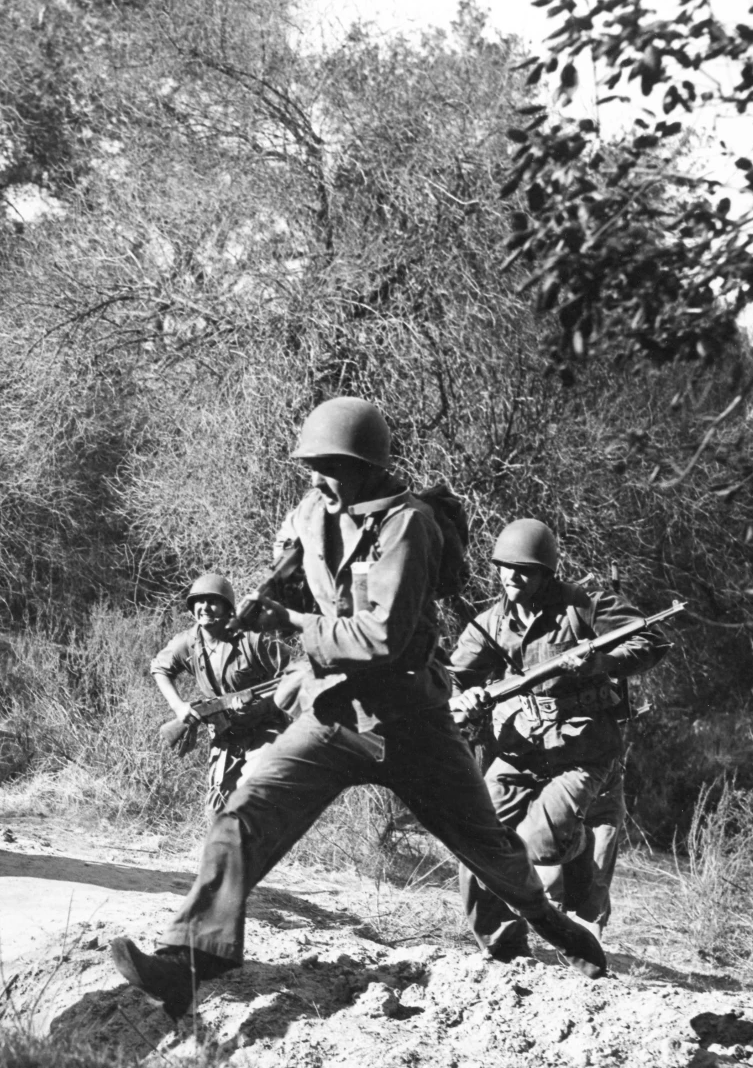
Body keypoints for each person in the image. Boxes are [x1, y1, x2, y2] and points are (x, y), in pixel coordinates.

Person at [109, 397, 610, 1018]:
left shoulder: (410, 526)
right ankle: (190, 961)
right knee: (244, 815)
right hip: (331, 715)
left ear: (368, 467)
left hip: (409, 723)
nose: (319, 480)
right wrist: (282, 575)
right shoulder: (314, 509)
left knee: (491, 851)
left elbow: (382, 638)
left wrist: (292, 621)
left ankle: (553, 924)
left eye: (332, 467)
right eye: (312, 467)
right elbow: (299, 576)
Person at [447, 521, 672, 950]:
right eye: (504, 568)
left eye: (523, 570)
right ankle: (502, 948)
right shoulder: (490, 624)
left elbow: (650, 641)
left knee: (540, 847)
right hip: (518, 750)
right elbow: (455, 679)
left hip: (583, 752)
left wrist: (597, 661)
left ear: (546, 573)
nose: (511, 578)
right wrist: (467, 698)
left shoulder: (584, 606)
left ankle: (577, 846)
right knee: (475, 841)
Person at [149, 572, 292, 812]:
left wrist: (259, 704)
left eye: (212, 601)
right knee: (217, 809)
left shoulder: (253, 638)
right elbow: (159, 668)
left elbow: (293, 677)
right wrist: (179, 707)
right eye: (199, 601)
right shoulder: (187, 642)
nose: (204, 607)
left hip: (265, 728)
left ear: (228, 608)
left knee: (251, 795)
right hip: (227, 734)